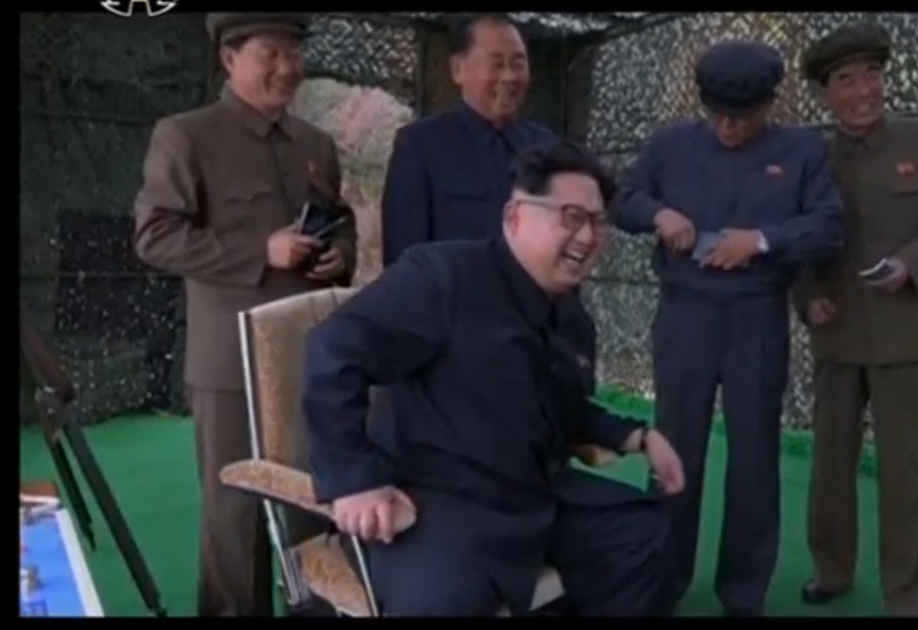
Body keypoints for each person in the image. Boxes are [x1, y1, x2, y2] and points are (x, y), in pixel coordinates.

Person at [302, 142, 684, 616]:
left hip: (533, 492)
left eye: (598, 222)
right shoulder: (441, 277)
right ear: (514, 216)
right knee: (442, 605)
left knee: (645, 538)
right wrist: (353, 480)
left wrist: (636, 436)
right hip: (437, 499)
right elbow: (333, 350)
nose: (588, 237)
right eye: (571, 217)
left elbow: (561, 406)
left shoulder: (570, 314)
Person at [133, 13, 357, 617]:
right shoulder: (186, 135)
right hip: (230, 364)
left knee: (315, 500)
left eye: (294, 53)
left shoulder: (315, 144)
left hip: (311, 358)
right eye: (270, 53)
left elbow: (339, 221)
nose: (287, 67)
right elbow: (154, 237)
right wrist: (260, 251)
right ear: (229, 59)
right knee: (234, 515)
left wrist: (341, 253)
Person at [614, 41, 845, 616]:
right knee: (674, 448)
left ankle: (743, 595)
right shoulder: (670, 144)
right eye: (716, 113)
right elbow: (622, 198)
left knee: (754, 457)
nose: (727, 127)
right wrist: (658, 214)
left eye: (741, 117)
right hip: (685, 315)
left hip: (755, 318)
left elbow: (828, 226)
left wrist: (761, 242)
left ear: (770, 103)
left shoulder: (802, 151)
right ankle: (661, 581)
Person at [795, 23, 918, 616]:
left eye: (872, 74)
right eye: (846, 80)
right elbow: (798, 240)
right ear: (824, 93)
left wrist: (912, 265)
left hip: (908, 336)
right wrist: (807, 297)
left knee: (912, 474)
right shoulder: (810, 156)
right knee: (830, 466)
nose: (864, 91)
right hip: (837, 335)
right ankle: (832, 569)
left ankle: (912, 596)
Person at [380, 12, 555, 266]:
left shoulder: (545, 147)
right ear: (458, 69)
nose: (509, 76)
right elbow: (402, 261)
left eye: (518, 63)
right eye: (496, 64)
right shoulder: (421, 146)